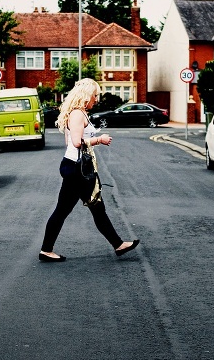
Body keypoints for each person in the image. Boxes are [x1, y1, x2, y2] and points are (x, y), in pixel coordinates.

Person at [39, 78, 140, 262]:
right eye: (95, 95)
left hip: (75, 167)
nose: (96, 98)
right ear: (86, 95)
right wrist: (99, 139)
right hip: (77, 169)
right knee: (94, 207)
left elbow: (69, 143)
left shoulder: (79, 113)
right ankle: (118, 244)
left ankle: (47, 249)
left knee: (70, 210)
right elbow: (76, 143)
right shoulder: (77, 114)